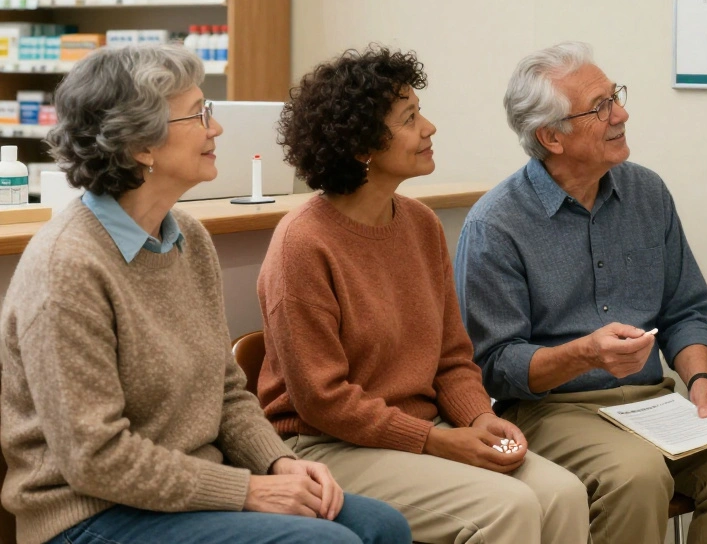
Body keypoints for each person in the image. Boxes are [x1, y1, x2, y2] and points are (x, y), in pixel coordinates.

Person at [0, 45, 410, 544]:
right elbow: (96, 458)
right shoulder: (66, 266)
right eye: (199, 115)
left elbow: (226, 391)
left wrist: (279, 463)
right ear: (140, 145)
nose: (215, 129)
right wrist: (246, 491)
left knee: (382, 525)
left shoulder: (187, 239)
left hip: (189, 493)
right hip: (91, 514)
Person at [256, 46, 588, 544]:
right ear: (361, 147)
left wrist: (480, 417)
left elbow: (452, 358)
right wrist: (437, 441)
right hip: (325, 446)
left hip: (421, 431)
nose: (429, 127)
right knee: (508, 508)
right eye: (410, 118)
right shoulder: (302, 243)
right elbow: (324, 401)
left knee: (565, 493)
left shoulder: (420, 224)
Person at [456, 41, 707, 544]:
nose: (621, 113)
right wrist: (583, 355)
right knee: (637, 476)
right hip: (550, 412)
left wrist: (701, 379)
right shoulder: (496, 225)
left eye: (615, 95)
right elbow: (494, 364)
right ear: (551, 137)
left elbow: (684, 309)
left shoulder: (647, 193)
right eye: (600, 107)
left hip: (652, 402)